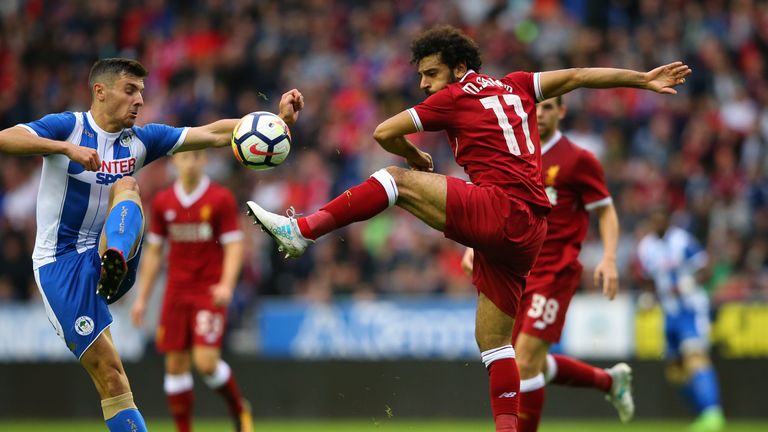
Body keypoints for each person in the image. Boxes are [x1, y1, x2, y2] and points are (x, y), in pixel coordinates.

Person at [245, 25, 689, 431]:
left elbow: (383, 132)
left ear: (460, 68)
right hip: (530, 234)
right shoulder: (516, 84)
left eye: (431, 73)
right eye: (421, 74)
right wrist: (642, 79)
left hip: (504, 211)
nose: (423, 83)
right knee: (495, 345)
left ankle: (303, 230)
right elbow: (577, 75)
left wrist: (415, 157)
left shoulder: (455, 95)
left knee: (395, 180)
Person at [0, 57, 303, 432]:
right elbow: (5, 138)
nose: (140, 100)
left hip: (111, 255)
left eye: (142, 92)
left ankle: (115, 258)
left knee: (127, 184)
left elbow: (213, 134)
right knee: (112, 377)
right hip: (60, 266)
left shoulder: (141, 140)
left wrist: (275, 122)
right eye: (130, 90)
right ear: (101, 91)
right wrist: (63, 149)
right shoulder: (69, 128)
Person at [461, 96, 631, 432]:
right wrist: (476, 245)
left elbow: (606, 211)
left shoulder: (578, 160)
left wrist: (609, 258)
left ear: (562, 112)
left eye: (549, 107)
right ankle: (610, 382)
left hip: (555, 271)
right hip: (516, 271)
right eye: (535, 107)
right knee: (526, 361)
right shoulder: (516, 155)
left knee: (523, 361)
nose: (540, 113)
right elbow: (495, 205)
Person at [130, 150, 249, 432]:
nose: (191, 162)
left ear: (204, 160)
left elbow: (234, 245)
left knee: (206, 363)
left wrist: (226, 285)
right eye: (185, 157)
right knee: (175, 366)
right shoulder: (163, 202)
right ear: (175, 163)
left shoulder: (220, 199)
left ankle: (239, 409)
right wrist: (142, 298)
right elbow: (154, 253)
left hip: (208, 290)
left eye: (196, 156)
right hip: (175, 292)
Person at [637, 206, 725, 432]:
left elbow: (706, 268)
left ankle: (713, 414)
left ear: (667, 221)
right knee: (675, 370)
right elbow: (649, 279)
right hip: (669, 313)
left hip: (690, 309)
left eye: (660, 219)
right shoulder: (646, 247)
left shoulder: (682, 240)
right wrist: (649, 296)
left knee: (695, 357)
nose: (657, 224)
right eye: (653, 220)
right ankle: (702, 413)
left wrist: (689, 283)